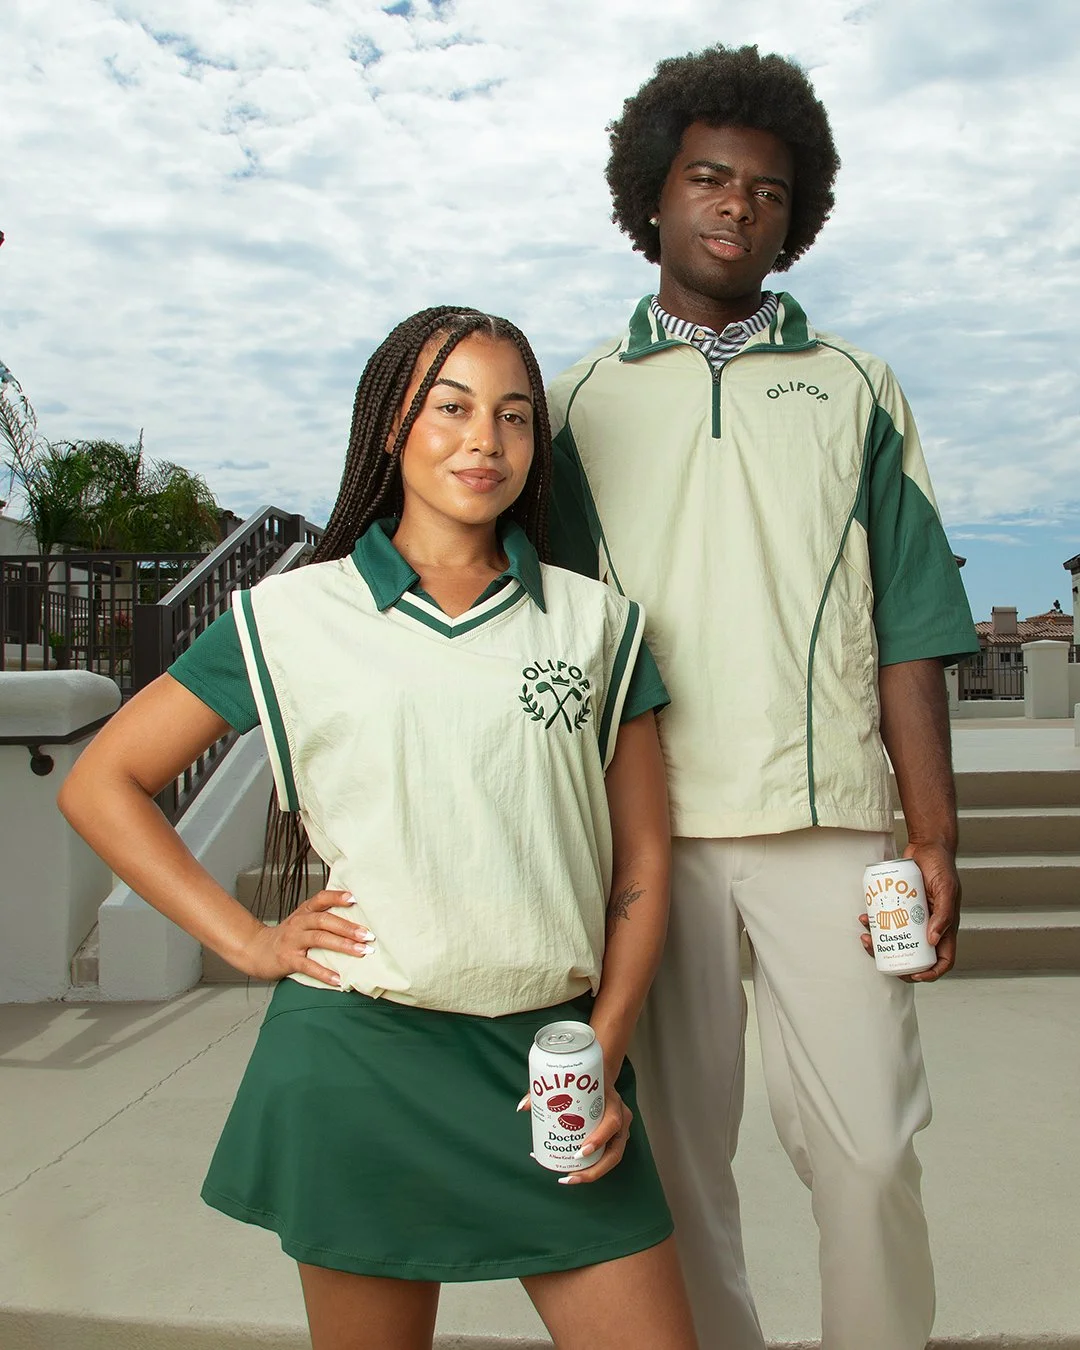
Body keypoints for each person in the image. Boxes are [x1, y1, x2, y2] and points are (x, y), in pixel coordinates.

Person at [58, 307, 699, 1350]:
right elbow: (103, 782)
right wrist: (249, 942)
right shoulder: (291, 615)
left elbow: (644, 857)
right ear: (390, 428)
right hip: (362, 1064)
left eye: (514, 415)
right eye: (450, 408)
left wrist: (606, 1047)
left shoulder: (598, 624)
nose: (484, 440)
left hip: (549, 1060)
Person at [547, 45, 980, 1350]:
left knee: (868, 1154)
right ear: (655, 196)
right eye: (711, 179)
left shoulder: (854, 386)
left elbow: (910, 620)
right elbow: (546, 644)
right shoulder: (575, 404)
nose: (739, 207)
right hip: (649, 842)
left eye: (770, 192)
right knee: (676, 1178)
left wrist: (936, 832)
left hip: (833, 830)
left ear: (799, 217)